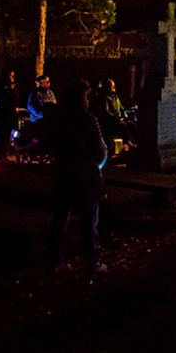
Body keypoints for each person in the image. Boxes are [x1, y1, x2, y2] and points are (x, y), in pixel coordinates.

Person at [46, 80, 108, 276]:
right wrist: (96, 164)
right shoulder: (88, 121)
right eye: (86, 97)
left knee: (59, 221)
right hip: (85, 178)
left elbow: (51, 145)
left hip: (62, 173)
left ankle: (55, 261)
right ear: (80, 98)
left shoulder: (57, 119)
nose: (88, 101)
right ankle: (92, 262)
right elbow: (101, 151)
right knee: (89, 223)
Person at [93, 78, 131, 156]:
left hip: (118, 119)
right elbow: (105, 112)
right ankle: (127, 142)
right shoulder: (103, 97)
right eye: (112, 86)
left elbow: (121, 108)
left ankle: (137, 143)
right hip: (108, 122)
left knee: (131, 124)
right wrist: (116, 119)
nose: (114, 87)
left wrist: (125, 116)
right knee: (122, 126)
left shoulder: (115, 97)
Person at [0, 70, 20, 162]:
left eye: (13, 76)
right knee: (1, 137)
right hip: (3, 116)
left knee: (7, 137)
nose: (13, 78)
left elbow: (16, 98)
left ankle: (4, 155)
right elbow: (3, 99)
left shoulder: (13, 87)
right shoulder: (1, 88)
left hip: (10, 116)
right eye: (11, 76)